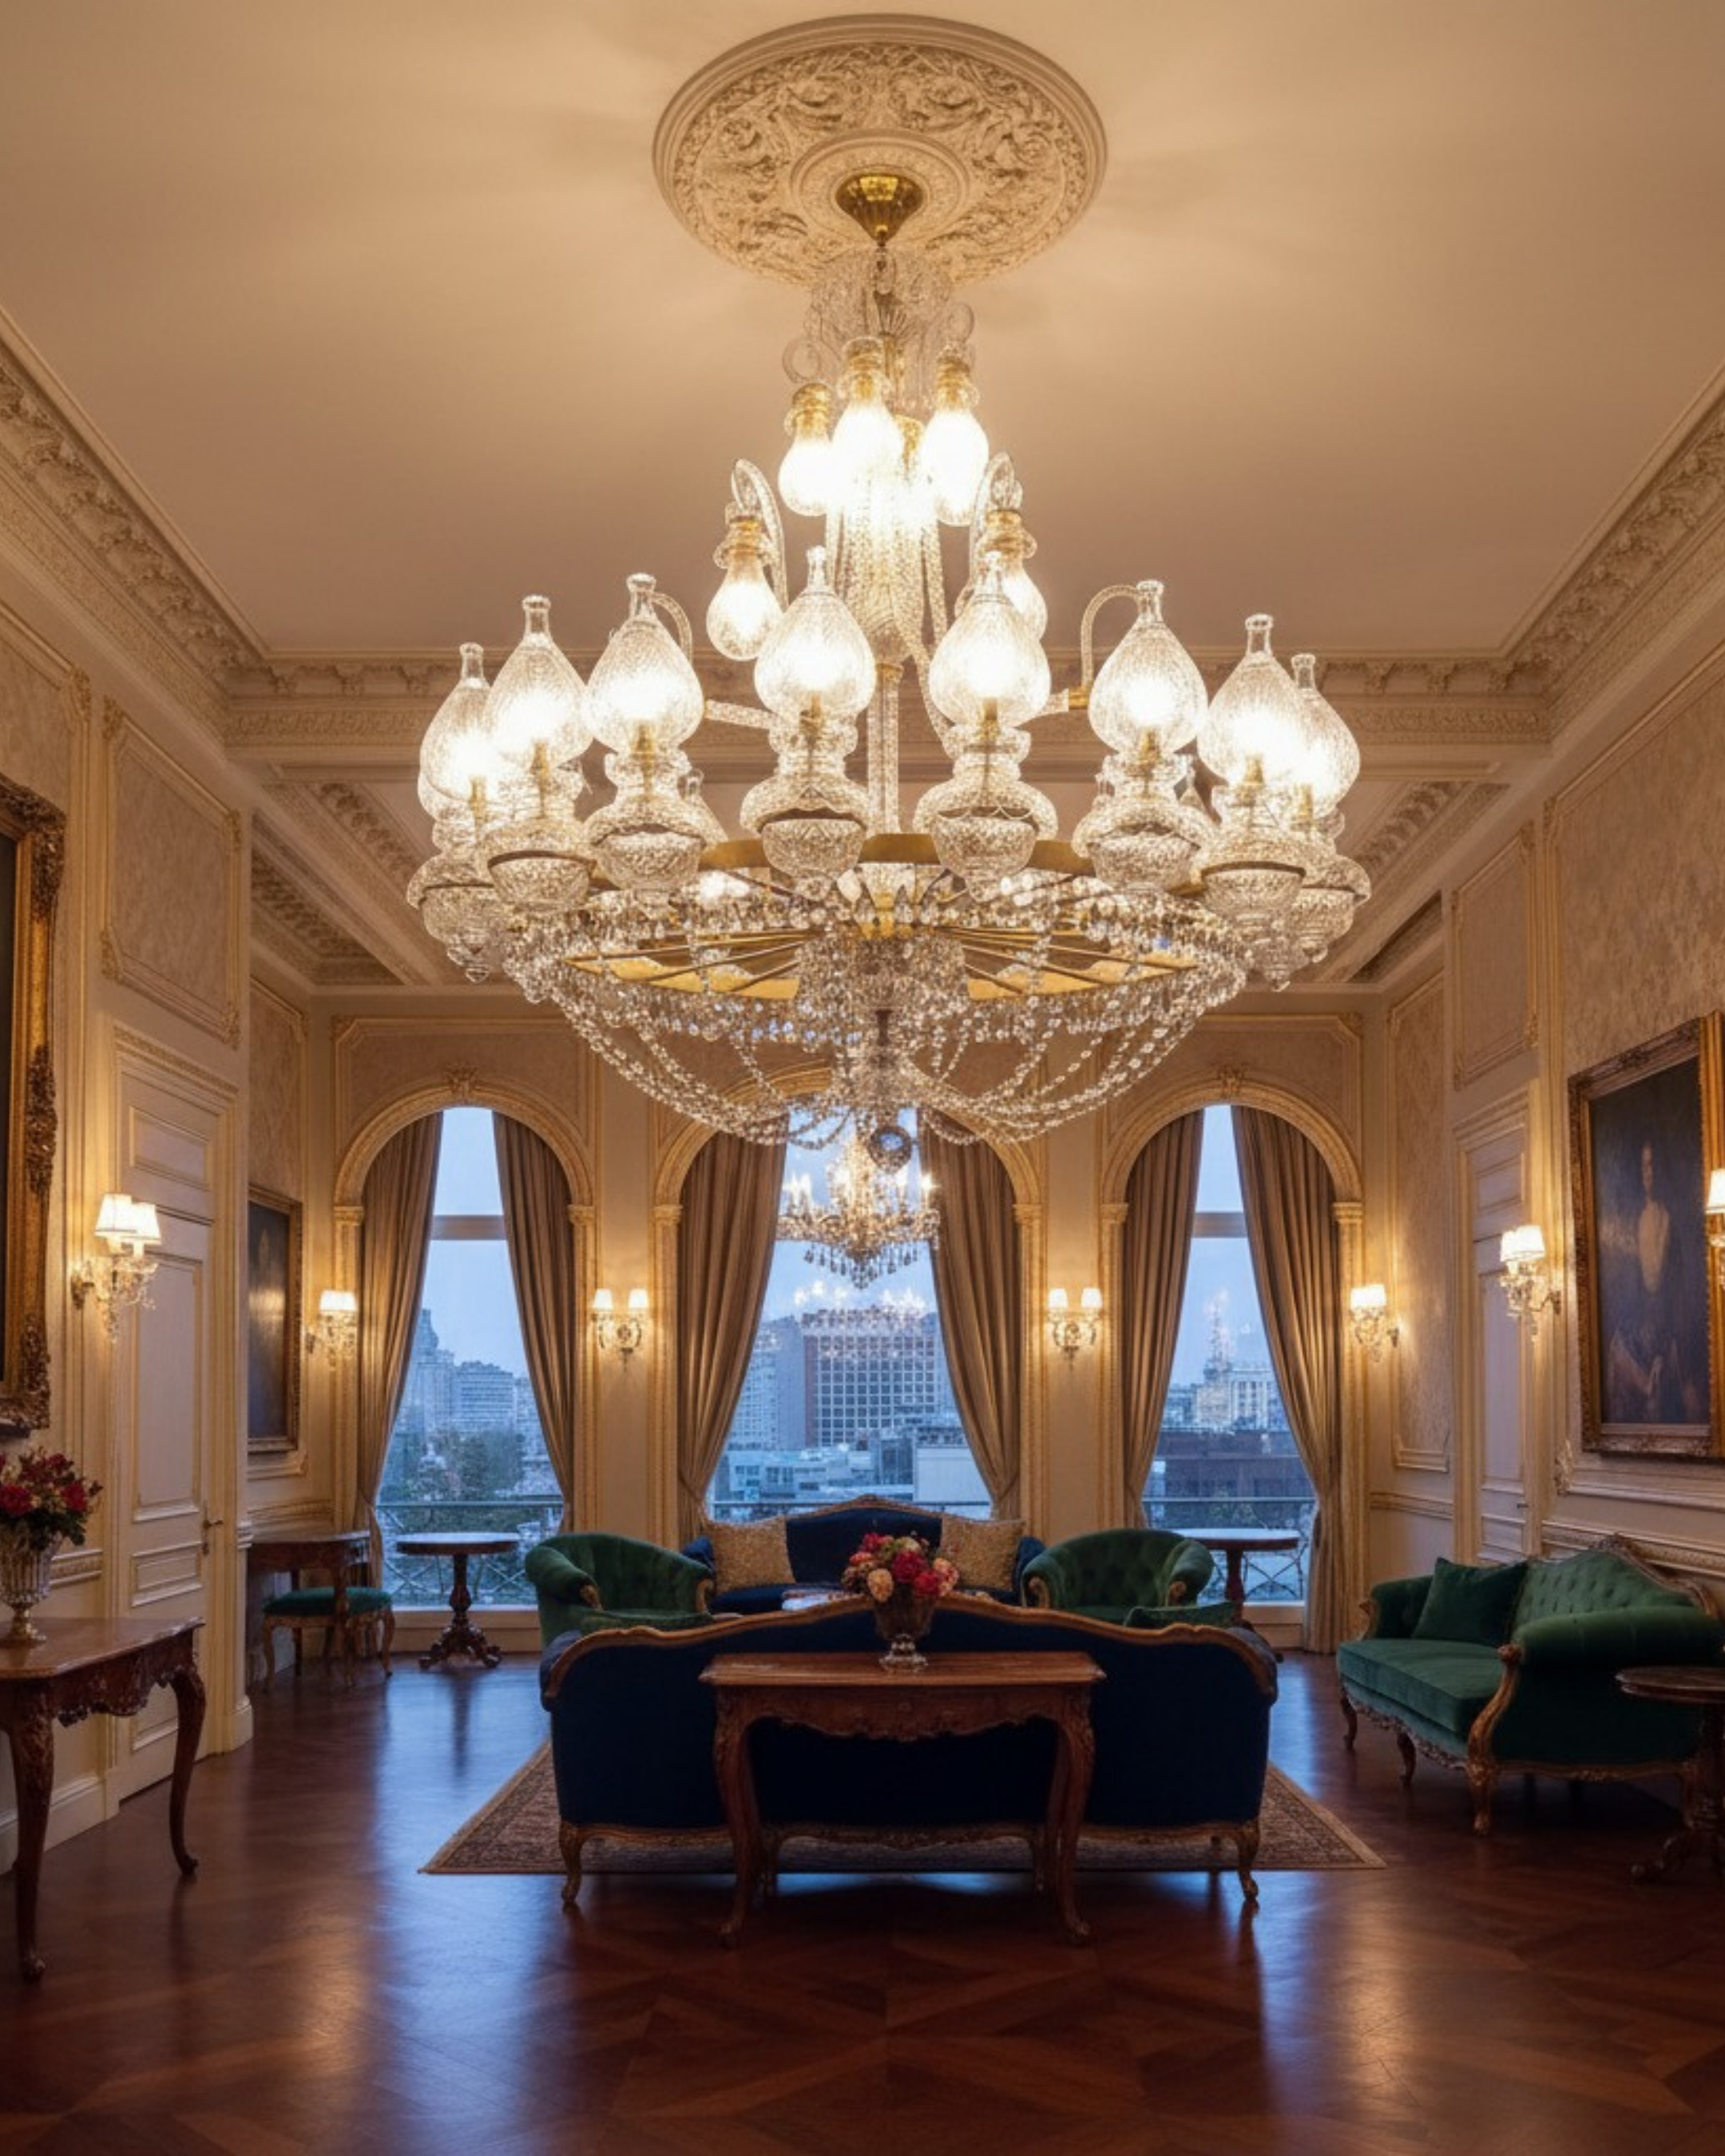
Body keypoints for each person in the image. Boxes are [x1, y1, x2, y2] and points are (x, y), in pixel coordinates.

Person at [1604, 1140, 1700, 1425]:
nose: (1650, 1172)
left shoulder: (1670, 1220)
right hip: (1639, 1320)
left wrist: (1666, 1342)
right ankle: (1647, 1387)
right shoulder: (1633, 1220)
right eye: (1646, 1166)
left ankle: (1652, 1387)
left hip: (1665, 1320)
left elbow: (1673, 1286)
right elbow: (1633, 1285)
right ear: (1640, 1171)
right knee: (1616, 1352)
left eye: (1654, 1165)